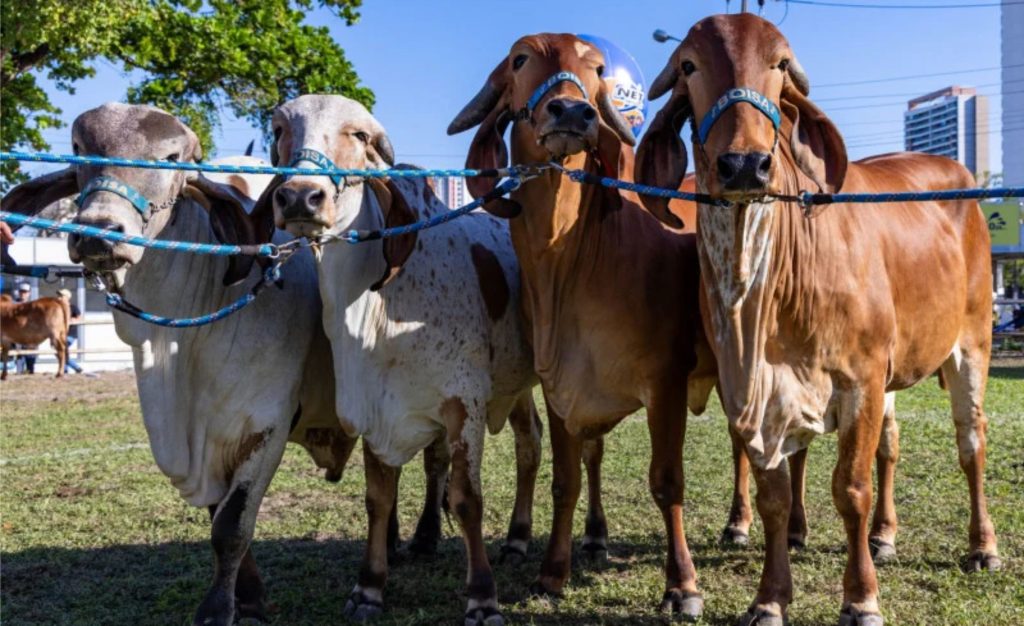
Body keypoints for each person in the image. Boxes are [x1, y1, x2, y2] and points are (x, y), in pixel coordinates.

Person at [57, 288, 85, 374]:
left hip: (70, 335)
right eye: (59, 296)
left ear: (67, 297)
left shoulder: (73, 307)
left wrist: (71, 320)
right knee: (61, 351)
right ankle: (66, 370)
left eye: (61, 296)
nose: (59, 298)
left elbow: (79, 318)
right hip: (61, 334)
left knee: (60, 350)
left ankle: (75, 367)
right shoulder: (58, 308)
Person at [13, 282, 36, 374]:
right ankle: (19, 375)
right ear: (18, 292)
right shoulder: (13, 305)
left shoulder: (33, 305)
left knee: (30, 358)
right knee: (19, 357)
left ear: (29, 293)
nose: (23, 294)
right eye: (21, 291)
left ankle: (30, 376)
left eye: (25, 292)